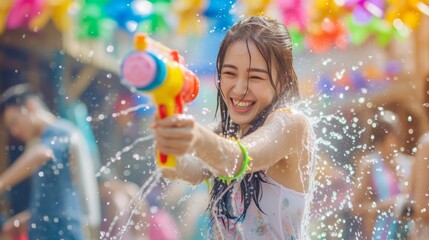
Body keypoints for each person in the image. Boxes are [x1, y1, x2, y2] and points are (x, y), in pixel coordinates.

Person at [153, 16, 315, 239]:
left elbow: (239, 158)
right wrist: (167, 141)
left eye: (255, 77)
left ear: (283, 81)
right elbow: (186, 171)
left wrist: (195, 137)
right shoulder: (222, 135)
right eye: (229, 73)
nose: (239, 89)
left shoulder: (290, 124)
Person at [0, 84, 99, 239]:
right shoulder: (45, 139)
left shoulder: (61, 131)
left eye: (14, 122)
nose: (14, 131)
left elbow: (42, 153)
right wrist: (30, 216)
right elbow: (59, 196)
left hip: (65, 232)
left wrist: (1, 183)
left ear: (30, 107)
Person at [351, 110, 411, 240]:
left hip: (409, 233)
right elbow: (355, 208)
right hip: (383, 233)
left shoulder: (408, 162)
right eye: (393, 133)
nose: (398, 137)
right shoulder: (369, 164)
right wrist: (383, 206)